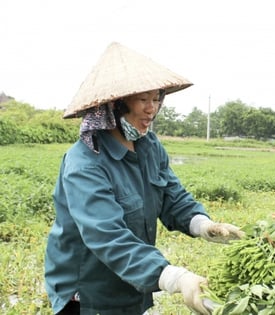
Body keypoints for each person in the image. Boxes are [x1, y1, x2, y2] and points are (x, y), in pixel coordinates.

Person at [44, 42, 244, 315]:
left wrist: (203, 225)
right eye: (143, 99)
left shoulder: (148, 146)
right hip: (89, 292)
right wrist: (177, 278)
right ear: (114, 105)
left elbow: (173, 196)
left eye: (157, 98)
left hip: (130, 285)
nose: (152, 108)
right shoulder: (84, 164)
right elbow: (108, 237)